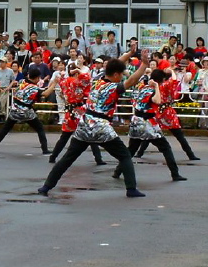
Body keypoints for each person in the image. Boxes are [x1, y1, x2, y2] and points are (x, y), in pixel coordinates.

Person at [37, 43, 149, 198]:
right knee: (124, 156)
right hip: (102, 126)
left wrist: (130, 53)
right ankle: (131, 189)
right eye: (121, 74)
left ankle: (46, 186)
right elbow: (133, 80)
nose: (123, 76)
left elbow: (115, 63)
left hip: (85, 123)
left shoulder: (97, 78)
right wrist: (144, 64)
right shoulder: (113, 87)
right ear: (116, 75)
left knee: (67, 158)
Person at [116, 69, 187, 182]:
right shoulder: (152, 90)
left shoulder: (141, 87)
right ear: (162, 80)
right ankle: (175, 173)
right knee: (165, 148)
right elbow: (157, 101)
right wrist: (157, 87)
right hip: (147, 123)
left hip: (136, 121)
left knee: (132, 149)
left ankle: (117, 171)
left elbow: (133, 80)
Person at [134, 67, 200, 160]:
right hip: (167, 113)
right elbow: (174, 80)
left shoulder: (149, 88)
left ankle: (140, 153)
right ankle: (190, 154)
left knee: (151, 133)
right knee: (178, 135)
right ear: (163, 79)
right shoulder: (164, 85)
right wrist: (172, 71)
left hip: (156, 112)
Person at [0, 66, 58, 154]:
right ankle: (45, 149)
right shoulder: (34, 88)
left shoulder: (22, 82)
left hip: (15, 110)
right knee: (40, 128)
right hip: (26, 112)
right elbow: (45, 94)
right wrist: (54, 83)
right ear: (37, 78)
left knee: (5, 129)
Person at [49, 62, 106, 165]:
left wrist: (62, 76)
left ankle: (53, 156)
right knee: (89, 134)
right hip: (79, 111)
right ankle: (98, 159)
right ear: (75, 72)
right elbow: (88, 79)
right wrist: (79, 71)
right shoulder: (77, 82)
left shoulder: (64, 82)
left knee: (64, 136)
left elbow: (61, 83)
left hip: (69, 111)